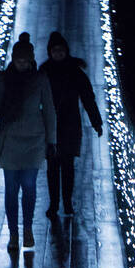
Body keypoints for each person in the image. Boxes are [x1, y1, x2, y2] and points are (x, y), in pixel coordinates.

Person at [0, 33, 57, 252]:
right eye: (18, 61)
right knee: (11, 189)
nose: (22, 65)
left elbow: (50, 111)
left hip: (34, 140)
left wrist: (51, 141)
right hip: (10, 140)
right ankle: (14, 234)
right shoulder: (4, 79)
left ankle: (27, 229)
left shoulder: (40, 79)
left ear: (31, 60)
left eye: (25, 61)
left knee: (29, 186)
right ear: (13, 60)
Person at [39, 31, 102, 218]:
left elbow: (88, 98)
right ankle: (54, 204)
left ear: (66, 51)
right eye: (55, 50)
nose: (58, 53)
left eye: (61, 50)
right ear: (50, 52)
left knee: (66, 166)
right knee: (52, 167)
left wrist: (96, 122)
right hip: (51, 126)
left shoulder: (75, 73)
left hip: (70, 126)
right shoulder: (44, 73)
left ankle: (66, 203)